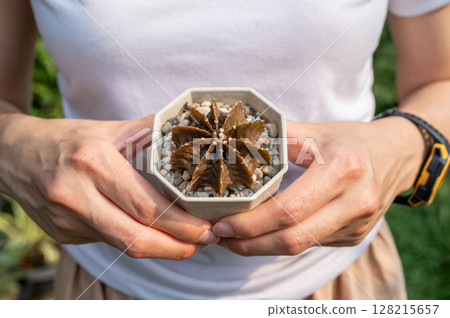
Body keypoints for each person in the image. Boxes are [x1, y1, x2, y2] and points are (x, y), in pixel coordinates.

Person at [1, 0, 449, 300]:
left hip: (333, 280)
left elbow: (440, 82)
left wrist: (401, 148)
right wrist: (15, 150)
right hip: (107, 280)